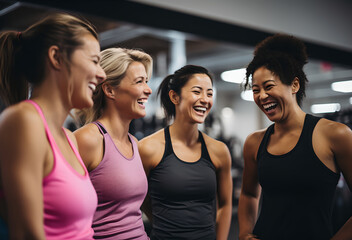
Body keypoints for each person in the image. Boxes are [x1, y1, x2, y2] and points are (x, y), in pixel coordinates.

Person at [237, 33, 352, 240]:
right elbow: (249, 194)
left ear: (294, 85)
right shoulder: (254, 143)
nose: (261, 96)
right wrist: (244, 233)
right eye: (256, 90)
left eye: (268, 86)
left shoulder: (335, 135)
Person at [0, 13, 106, 239]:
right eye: (94, 61)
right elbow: (27, 234)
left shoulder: (68, 137)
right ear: (57, 57)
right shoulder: (23, 121)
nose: (102, 74)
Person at [139, 65, 233, 240]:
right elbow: (141, 199)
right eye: (197, 92)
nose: (205, 99)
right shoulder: (148, 148)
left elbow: (225, 205)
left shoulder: (219, 151)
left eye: (210, 94)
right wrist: (162, 223)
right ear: (175, 96)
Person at [74, 47, 153, 240]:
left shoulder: (134, 142)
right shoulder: (88, 139)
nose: (148, 90)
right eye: (139, 81)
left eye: (147, 81)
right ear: (110, 89)